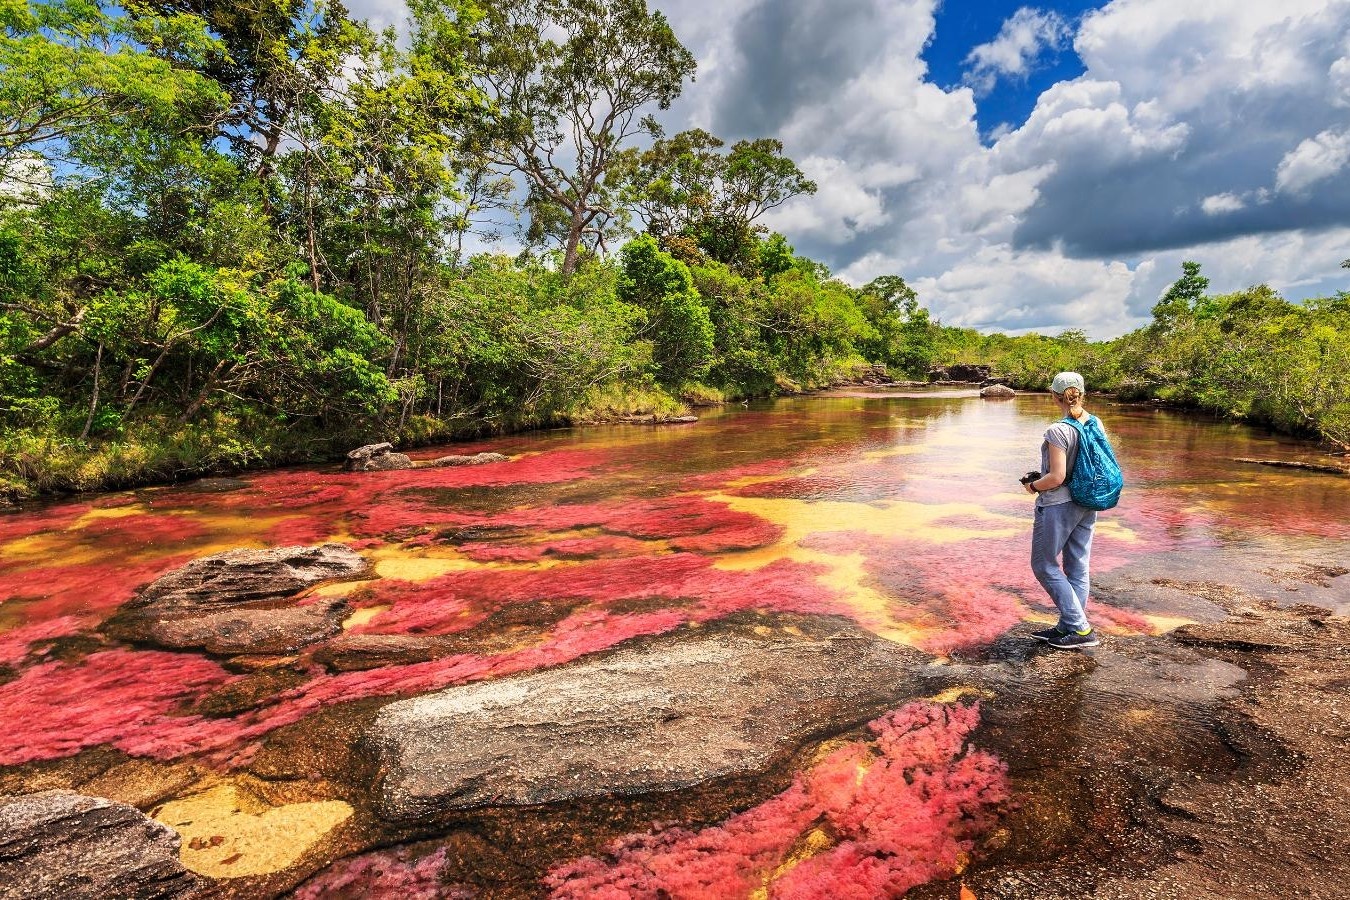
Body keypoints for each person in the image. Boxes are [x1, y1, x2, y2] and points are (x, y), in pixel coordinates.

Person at [1023, 371, 1099, 650]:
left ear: (1054, 396)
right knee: (1077, 565)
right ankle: (1069, 625)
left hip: (1058, 504)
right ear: (1081, 393)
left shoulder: (1058, 430)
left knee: (1043, 564)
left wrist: (1033, 486)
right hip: (1088, 501)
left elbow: (1056, 477)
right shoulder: (1095, 423)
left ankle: (1079, 628)